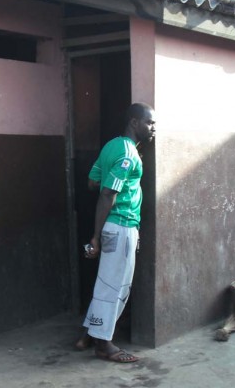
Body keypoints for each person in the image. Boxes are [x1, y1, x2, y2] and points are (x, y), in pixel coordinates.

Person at [77, 103, 156, 363]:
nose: (152, 127)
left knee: (106, 283)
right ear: (134, 122)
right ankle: (104, 345)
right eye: (149, 122)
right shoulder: (128, 155)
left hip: (115, 225)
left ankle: (90, 334)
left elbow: (92, 181)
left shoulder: (113, 146)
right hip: (121, 225)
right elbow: (107, 193)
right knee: (116, 287)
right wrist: (95, 237)